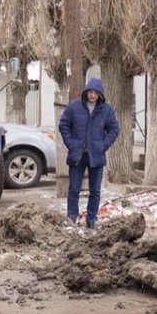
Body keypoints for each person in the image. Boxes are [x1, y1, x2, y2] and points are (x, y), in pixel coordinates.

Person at [58, 77, 120, 228]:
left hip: (96, 155)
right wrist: (71, 144)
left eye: (95, 93)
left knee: (95, 190)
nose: (92, 95)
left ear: (100, 94)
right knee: (74, 189)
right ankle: (72, 217)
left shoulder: (106, 110)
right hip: (77, 155)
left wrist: (102, 145)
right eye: (90, 92)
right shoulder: (74, 107)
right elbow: (64, 125)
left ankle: (91, 219)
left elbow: (114, 130)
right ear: (86, 92)